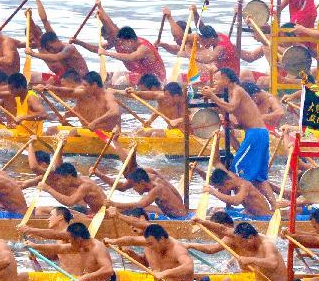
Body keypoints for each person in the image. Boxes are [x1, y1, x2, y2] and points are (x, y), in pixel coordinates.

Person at [201, 68, 272, 201]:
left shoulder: (237, 90)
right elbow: (243, 119)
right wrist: (232, 125)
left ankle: (241, 200)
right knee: (260, 177)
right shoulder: (233, 92)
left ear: (227, 80)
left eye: (217, 79)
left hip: (255, 135)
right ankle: (274, 206)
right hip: (258, 133)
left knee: (236, 169)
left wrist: (212, 96)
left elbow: (231, 108)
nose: (215, 82)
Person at [24, 221, 115, 281]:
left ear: (78, 239)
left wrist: (85, 277)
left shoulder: (97, 248)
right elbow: (60, 248)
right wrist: (35, 246)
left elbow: (108, 269)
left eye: (70, 239)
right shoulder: (81, 246)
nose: (69, 241)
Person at [105, 224, 195, 281]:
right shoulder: (151, 241)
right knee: (112, 276)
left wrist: (164, 273)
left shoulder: (177, 248)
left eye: (151, 244)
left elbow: (188, 266)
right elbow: (131, 240)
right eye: (148, 243)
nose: (149, 246)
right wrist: (113, 242)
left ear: (162, 239)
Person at [95, 166, 186, 218]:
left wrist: (114, 204)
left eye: (134, 186)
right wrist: (100, 175)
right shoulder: (153, 178)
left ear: (142, 183)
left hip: (178, 218)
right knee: (140, 208)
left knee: (136, 210)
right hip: (176, 214)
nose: (133, 189)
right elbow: (176, 193)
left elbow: (139, 205)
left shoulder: (157, 189)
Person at [100, 26, 166, 84]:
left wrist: (107, 53)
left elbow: (130, 57)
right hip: (144, 74)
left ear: (130, 41)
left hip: (156, 79)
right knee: (117, 74)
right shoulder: (134, 41)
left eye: (123, 44)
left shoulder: (144, 48)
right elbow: (110, 44)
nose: (123, 46)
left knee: (121, 81)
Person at [36, 163, 107, 215]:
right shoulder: (82, 179)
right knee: (40, 209)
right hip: (92, 212)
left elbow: (69, 202)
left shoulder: (85, 186)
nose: (59, 182)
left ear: (69, 177)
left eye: (59, 179)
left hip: (102, 215)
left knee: (41, 210)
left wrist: (48, 189)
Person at [202, 167, 273, 218]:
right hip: (250, 214)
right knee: (214, 210)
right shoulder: (231, 177)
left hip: (264, 218)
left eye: (219, 189)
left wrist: (213, 192)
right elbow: (210, 181)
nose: (219, 191)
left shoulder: (244, 185)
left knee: (218, 214)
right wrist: (197, 169)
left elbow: (236, 202)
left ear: (226, 184)